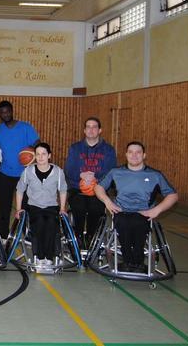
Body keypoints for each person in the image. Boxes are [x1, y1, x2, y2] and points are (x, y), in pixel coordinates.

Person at [94, 141, 178, 272]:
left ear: (144, 155)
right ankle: (128, 261)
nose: (134, 155)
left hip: (143, 213)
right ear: (126, 154)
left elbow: (172, 195)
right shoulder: (116, 172)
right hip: (121, 211)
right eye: (131, 152)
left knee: (138, 224)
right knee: (123, 223)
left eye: (138, 152)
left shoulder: (155, 175)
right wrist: (107, 202)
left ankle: (137, 262)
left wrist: (157, 210)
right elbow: (98, 187)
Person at [64, 117, 116, 248]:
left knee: (95, 208)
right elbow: (69, 170)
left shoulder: (108, 150)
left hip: (98, 189)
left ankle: (91, 236)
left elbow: (111, 171)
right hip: (77, 189)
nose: (91, 130)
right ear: (84, 130)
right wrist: (81, 174)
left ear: (100, 130)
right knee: (78, 207)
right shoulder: (75, 148)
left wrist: (95, 177)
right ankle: (78, 236)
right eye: (88, 127)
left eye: (94, 127)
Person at [0, 100, 39, 239]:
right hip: (4, 173)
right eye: (2, 112)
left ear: (12, 111)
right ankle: (3, 235)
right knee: (4, 206)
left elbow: (37, 144)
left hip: (25, 174)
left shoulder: (26, 127)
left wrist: (33, 153)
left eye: (7, 111)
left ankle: (25, 232)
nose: (5, 114)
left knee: (26, 205)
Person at [15, 142, 67, 265]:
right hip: (33, 206)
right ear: (34, 156)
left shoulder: (58, 172)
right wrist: (18, 209)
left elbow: (63, 190)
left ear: (49, 155)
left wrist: (63, 208)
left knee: (50, 223)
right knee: (38, 223)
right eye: (37, 154)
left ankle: (48, 258)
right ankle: (38, 256)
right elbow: (20, 190)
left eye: (43, 154)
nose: (40, 157)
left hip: (51, 206)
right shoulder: (28, 171)